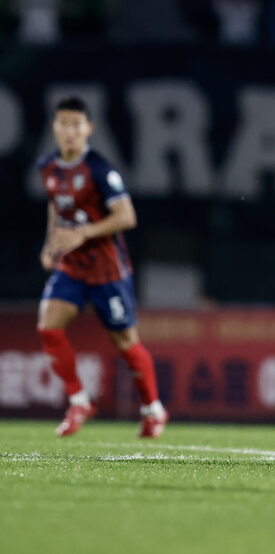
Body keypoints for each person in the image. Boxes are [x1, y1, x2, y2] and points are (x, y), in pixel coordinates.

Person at [37, 97, 168, 438]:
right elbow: (56, 207)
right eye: (63, 123)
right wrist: (50, 245)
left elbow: (127, 217)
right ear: (54, 127)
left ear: (88, 129)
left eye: (76, 124)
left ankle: (153, 409)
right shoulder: (47, 167)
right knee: (48, 327)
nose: (69, 131)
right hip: (71, 267)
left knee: (125, 342)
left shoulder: (99, 169)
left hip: (107, 270)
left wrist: (84, 233)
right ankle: (79, 401)